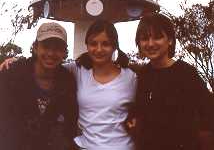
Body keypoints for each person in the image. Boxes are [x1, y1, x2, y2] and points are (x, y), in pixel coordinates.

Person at [0, 20, 137, 150]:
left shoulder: (130, 77)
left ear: (114, 46)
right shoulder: (76, 70)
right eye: (93, 43)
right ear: (35, 47)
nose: (99, 49)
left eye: (106, 44)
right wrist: (14, 62)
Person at [134, 12, 214, 150]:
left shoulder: (187, 74)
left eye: (158, 37)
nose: (151, 44)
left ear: (170, 40)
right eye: (145, 38)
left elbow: (207, 116)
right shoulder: (142, 75)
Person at [0, 22, 78, 150]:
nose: (51, 53)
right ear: (36, 48)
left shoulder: (68, 81)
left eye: (58, 48)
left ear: (64, 52)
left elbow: (70, 125)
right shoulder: (12, 74)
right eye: (46, 46)